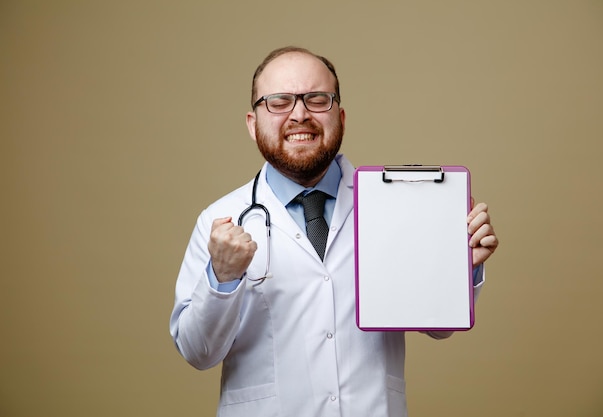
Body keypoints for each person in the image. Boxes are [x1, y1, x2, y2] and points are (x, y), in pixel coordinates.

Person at [170, 46, 499, 417]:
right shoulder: (221, 219)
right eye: (278, 101)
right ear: (252, 123)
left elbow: (439, 328)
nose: (299, 114)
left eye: (317, 99)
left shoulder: (394, 205)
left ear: (340, 116)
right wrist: (223, 276)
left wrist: (457, 267)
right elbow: (198, 353)